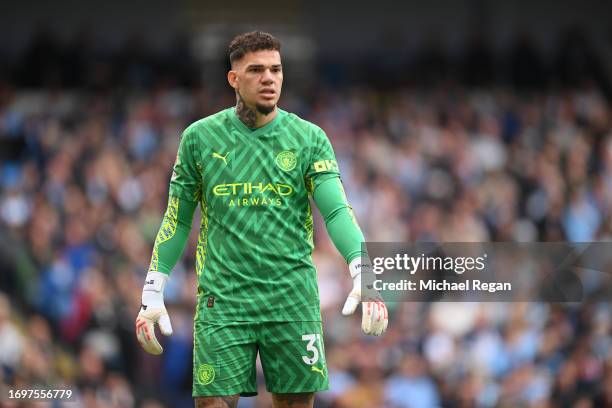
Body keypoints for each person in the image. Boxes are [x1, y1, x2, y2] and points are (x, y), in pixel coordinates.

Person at [134, 31, 388, 408]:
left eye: (276, 69)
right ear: (233, 79)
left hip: (291, 299)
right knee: (212, 404)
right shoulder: (199, 139)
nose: (269, 78)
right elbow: (178, 219)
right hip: (224, 299)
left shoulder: (308, 139)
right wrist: (153, 288)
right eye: (256, 70)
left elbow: (336, 210)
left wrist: (362, 269)